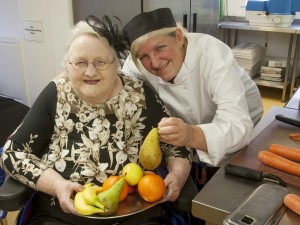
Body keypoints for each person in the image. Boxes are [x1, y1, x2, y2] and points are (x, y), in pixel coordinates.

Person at [0, 15, 192, 225]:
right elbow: (13, 152)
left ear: (115, 65)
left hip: (133, 213)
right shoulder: (56, 94)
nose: (90, 71)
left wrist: (178, 173)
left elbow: (176, 145)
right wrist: (57, 185)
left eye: (101, 62)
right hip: (61, 215)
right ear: (67, 65)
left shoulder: (139, 95)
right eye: (80, 62)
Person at [121, 8, 263, 171]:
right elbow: (118, 87)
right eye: (143, 56)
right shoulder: (137, 66)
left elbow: (237, 125)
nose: (154, 62)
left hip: (244, 124)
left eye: (160, 48)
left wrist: (191, 135)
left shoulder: (212, 55)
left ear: (179, 37)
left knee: (235, 175)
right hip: (189, 131)